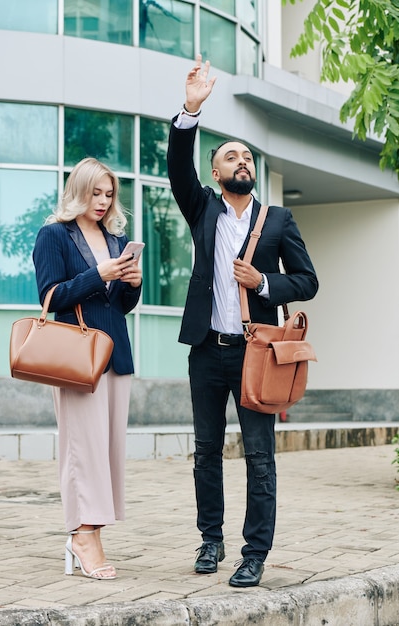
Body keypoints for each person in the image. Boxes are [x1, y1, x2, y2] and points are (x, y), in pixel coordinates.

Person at [167, 56, 319, 588]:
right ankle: (211, 540)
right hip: (208, 350)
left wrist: (265, 284)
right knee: (206, 451)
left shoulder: (279, 220)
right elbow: (177, 169)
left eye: (248, 156)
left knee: (259, 455)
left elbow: (308, 281)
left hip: (259, 355)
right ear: (217, 171)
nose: (242, 161)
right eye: (231, 156)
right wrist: (191, 110)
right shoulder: (202, 208)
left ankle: (255, 553)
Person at [33, 157, 142, 580]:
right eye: (95, 192)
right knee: (82, 450)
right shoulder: (53, 236)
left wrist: (132, 285)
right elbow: (51, 296)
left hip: (115, 354)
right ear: (78, 190)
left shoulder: (117, 239)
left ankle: (92, 531)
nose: (103, 201)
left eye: (109, 193)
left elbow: (121, 306)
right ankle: (81, 537)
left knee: (108, 451)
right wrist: (97, 275)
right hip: (77, 359)